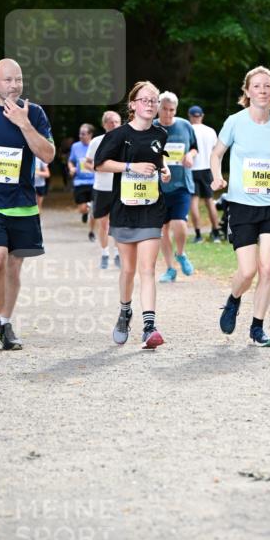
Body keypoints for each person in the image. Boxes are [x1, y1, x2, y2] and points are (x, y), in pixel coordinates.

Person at [210, 65, 270, 347]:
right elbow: (217, 154)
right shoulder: (235, 122)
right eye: (257, 86)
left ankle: (257, 328)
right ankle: (234, 298)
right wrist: (217, 176)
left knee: (267, 268)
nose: (263, 90)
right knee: (248, 270)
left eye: (267, 86)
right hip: (241, 205)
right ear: (247, 91)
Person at [0, 58, 55, 351]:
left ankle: (3, 323)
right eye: (7, 79)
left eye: (18, 79)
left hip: (22, 202)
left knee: (13, 269)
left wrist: (24, 124)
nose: (13, 85)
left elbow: (47, 155)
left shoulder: (34, 113)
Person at [94, 81, 171, 349]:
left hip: (151, 209)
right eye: (145, 99)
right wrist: (131, 166)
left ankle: (150, 326)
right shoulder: (117, 135)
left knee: (147, 268)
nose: (150, 104)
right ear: (133, 104)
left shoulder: (161, 134)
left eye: (154, 100)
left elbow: (159, 158)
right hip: (124, 209)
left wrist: (164, 170)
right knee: (128, 269)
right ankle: (125, 311)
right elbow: (101, 164)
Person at [154, 92, 197, 282]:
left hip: (181, 183)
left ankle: (181, 254)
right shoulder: (151, 127)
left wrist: (190, 156)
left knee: (179, 223)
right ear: (157, 107)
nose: (168, 114)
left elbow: (194, 147)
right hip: (157, 186)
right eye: (164, 109)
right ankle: (170, 269)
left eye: (172, 110)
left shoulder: (185, 126)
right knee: (162, 229)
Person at [85, 110, 122, 269]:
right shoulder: (96, 141)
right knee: (104, 223)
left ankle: (120, 254)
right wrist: (97, 168)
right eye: (110, 121)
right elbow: (87, 163)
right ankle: (105, 253)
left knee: (119, 223)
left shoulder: (126, 141)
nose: (113, 124)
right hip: (101, 188)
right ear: (104, 124)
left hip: (120, 187)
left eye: (116, 121)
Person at [187, 104, 222, 243]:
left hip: (191, 169)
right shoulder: (210, 131)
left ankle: (198, 234)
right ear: (201, 116)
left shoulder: (188, 129)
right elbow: (216, 152)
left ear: (190, 116)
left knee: (193, 203)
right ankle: (216, 233)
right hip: (207, 169)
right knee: (209, 201)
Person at [68, 124, 96, 242]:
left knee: (94, 209)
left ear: (90, 135)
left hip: (94, 181)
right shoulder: (75, 146)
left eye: (83, 134)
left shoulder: (95, 145)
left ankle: (91, 232)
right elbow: (71, 161)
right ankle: (85, 212)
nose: (81, 136)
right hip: (79, 182)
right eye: (80, 133)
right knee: (82, 208)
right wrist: (71, 168)